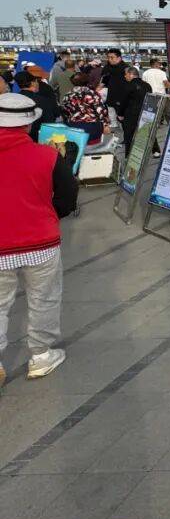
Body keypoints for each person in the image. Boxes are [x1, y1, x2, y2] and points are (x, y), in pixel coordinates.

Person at [0, 93, 79, 389]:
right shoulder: (47, 156)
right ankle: (41, 355)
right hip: (40, 242)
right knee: (43, 298)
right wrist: (50, 214)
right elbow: (68, 195)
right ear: (28, 125)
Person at [61, 73, 112, 142]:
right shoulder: (92, 94)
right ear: (86, 81)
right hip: (93, 127)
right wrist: (106, 125)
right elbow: (101, 110)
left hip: (74, 128)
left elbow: (65, 112)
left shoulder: (67, 96)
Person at [13, 72, 61, 142]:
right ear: (33, 83)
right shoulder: (43, 101)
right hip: (38, 140)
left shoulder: (14, 100)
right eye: (36, 81)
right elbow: (49, 123)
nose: (38, 83)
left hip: (18, 140)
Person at [115, 65, 152, 154]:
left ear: (131, 74)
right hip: (146, 111)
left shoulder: (128, 85)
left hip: (131, 113)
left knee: (129, 134)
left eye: (126, 74)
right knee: (148, 131)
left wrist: (120, 114)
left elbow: (124, 101)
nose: (125, 76)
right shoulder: (147, 85)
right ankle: (156, 151)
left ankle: (128, 154)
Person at [101, 48, 128, 118]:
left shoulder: (126, 69)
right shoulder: (107, 67)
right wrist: (98, 89)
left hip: (122, 99)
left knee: (122, 119)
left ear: (119, 58)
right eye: (108, 57)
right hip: (110, 98)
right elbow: (103, 81)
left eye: (112, 57)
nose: (109, 59)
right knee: (112, 119)